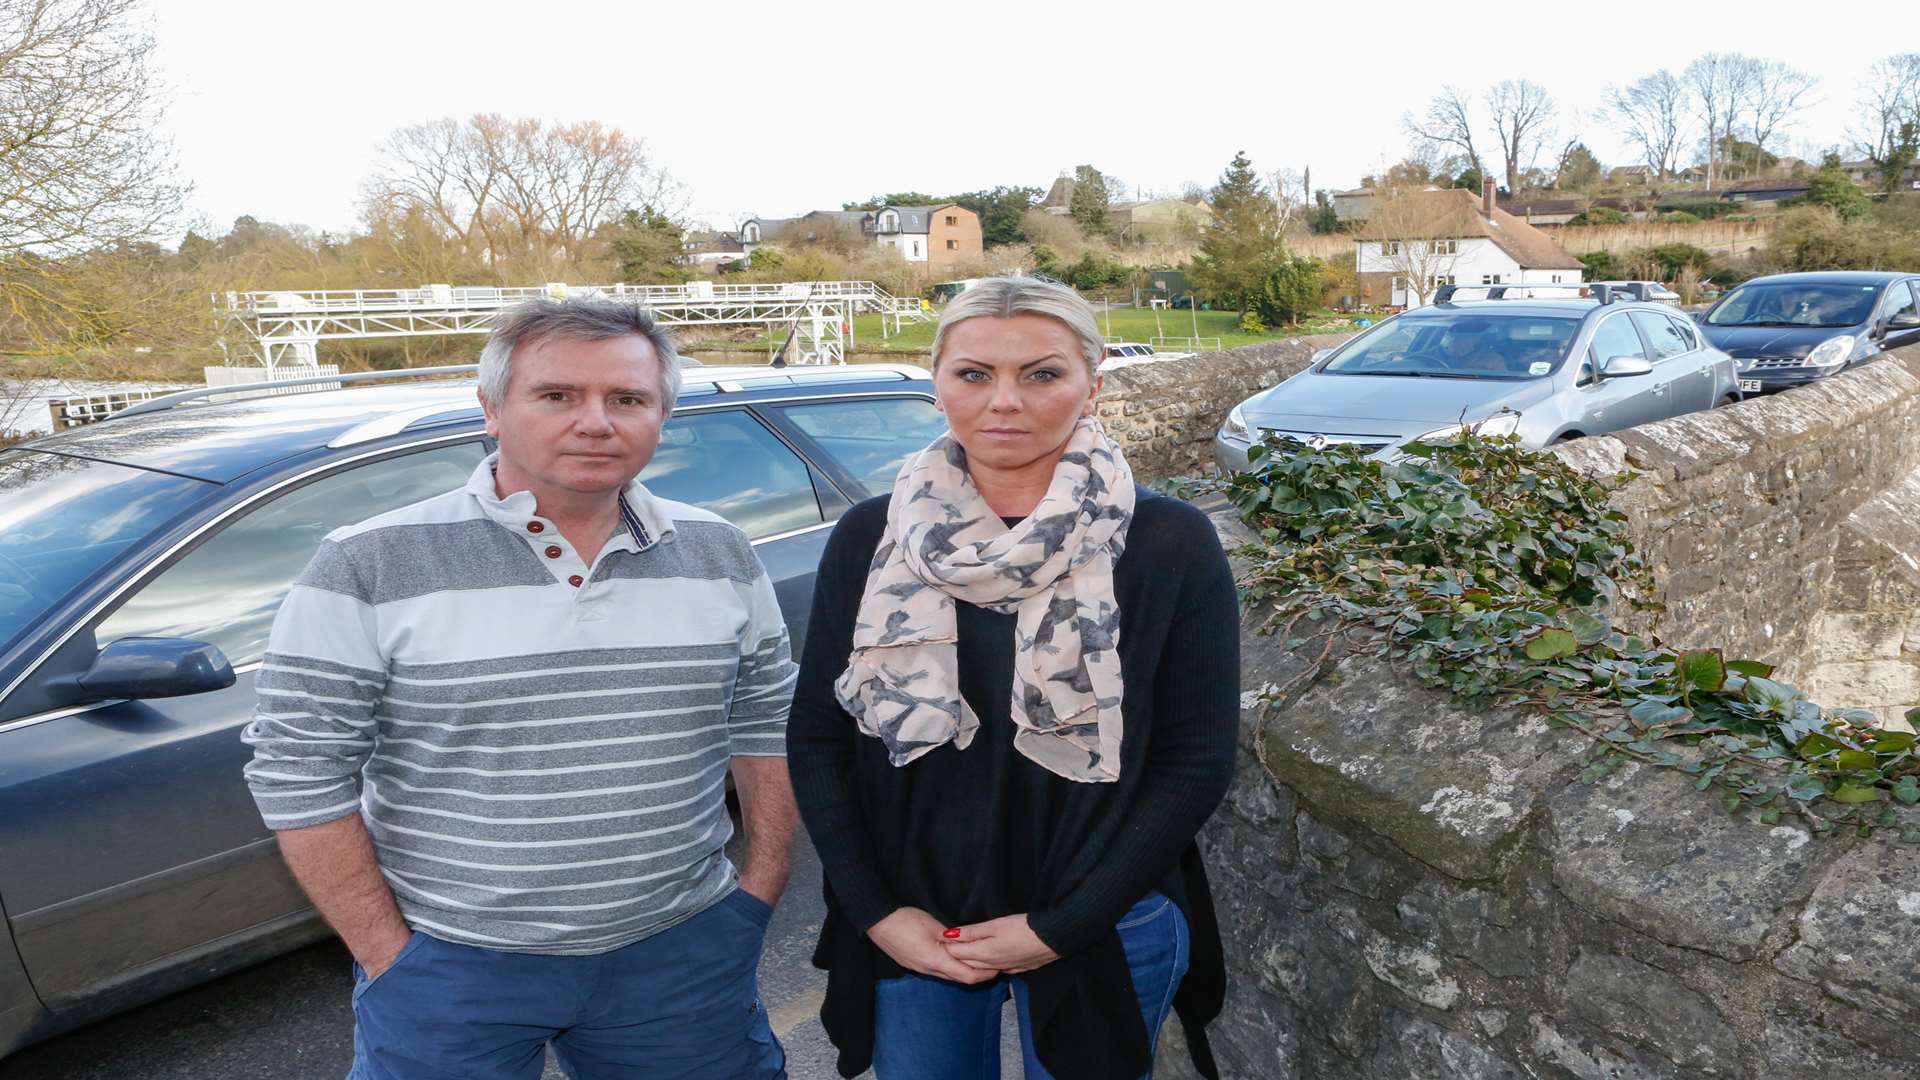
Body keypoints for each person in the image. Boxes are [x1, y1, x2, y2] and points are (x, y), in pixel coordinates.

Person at [242, 298, 797, 1080]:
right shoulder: (367, 564)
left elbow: (766, 722)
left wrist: (757, 893)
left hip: (682, 953)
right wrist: (388, 955)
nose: (596, 422)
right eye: (558, 395)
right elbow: (297, 771)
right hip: (452, 969)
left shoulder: (720, 551)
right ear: (493, 408)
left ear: (662, 415)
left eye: (628, 399)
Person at [787, 276, 1240, 1080]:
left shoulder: (1168, 541)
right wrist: (877, 913)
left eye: (1041, 373)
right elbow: (820, 736)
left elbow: (1195, 756)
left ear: (1091, 385)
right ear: (936, 383)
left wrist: (1066, 924)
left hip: (1103, 911)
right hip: (915, 913)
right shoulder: (869, 538)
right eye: (973, 374)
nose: (1005, 402)